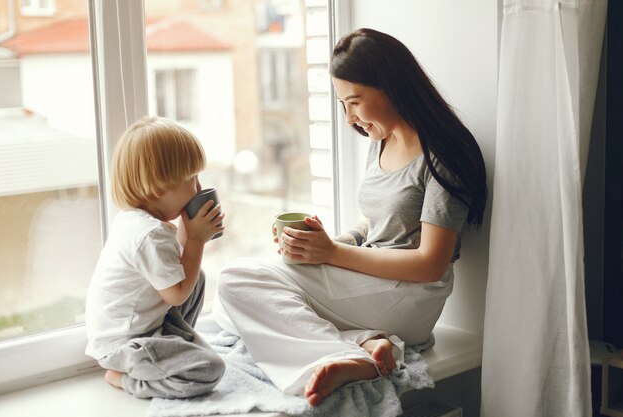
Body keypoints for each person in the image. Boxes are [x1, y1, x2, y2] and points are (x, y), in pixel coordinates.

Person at [213, 28, 488, 406]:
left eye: (354, 102)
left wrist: (331, 255)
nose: (349, 118)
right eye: (343, 104)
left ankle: (352, 353)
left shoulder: (442, 155)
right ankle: (368, 344)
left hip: (412, 294)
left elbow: (430, 264)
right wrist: (321, 244)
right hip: (373, 284)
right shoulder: (381, 141)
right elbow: (374, 226)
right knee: (226, 308)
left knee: (235, 282)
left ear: (392, 85)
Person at [85, 116, 226, 399]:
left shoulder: (137, 221)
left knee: (195, 277)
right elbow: (176, 295)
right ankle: (124, 380)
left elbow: (179, 276)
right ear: (159, 187)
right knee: (210, 369)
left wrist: (190, 231)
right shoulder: (149, 234)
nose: (198, 188)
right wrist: (196, 239)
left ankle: (176, 344)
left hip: (145, 328)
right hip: (125, 345)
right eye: (191, 179)